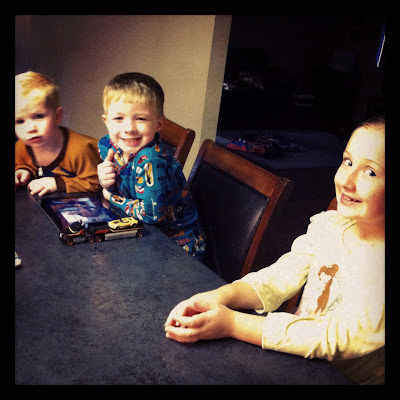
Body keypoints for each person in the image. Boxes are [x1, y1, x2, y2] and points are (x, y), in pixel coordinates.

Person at [165, 118, 385, 384]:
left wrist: (233, 324)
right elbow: (280, 276)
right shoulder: (329, 226)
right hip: (295, 360)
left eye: (370, 172)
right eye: (348, 162)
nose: (347, 181)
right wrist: (221, 296)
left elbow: (336, 337)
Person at [97, 72, 205, 259]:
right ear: (106, 121)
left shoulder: (151, 161)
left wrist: (110, 196)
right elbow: (122, 187)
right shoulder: (109, 146)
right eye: (118, 118)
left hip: (179, 246)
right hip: (140, 231)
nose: (129, 128)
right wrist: (106, 180)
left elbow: (150, 214)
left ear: (159, 124)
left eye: (141, 118)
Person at [15, 71, 102, 195]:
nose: (30, 128)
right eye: (19, 121)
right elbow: (24, 163)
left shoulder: (79, 149)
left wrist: (57, 183)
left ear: (57, 116)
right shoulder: (21, 147)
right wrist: (24, 171)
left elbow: (96, 182)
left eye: (38, 116)